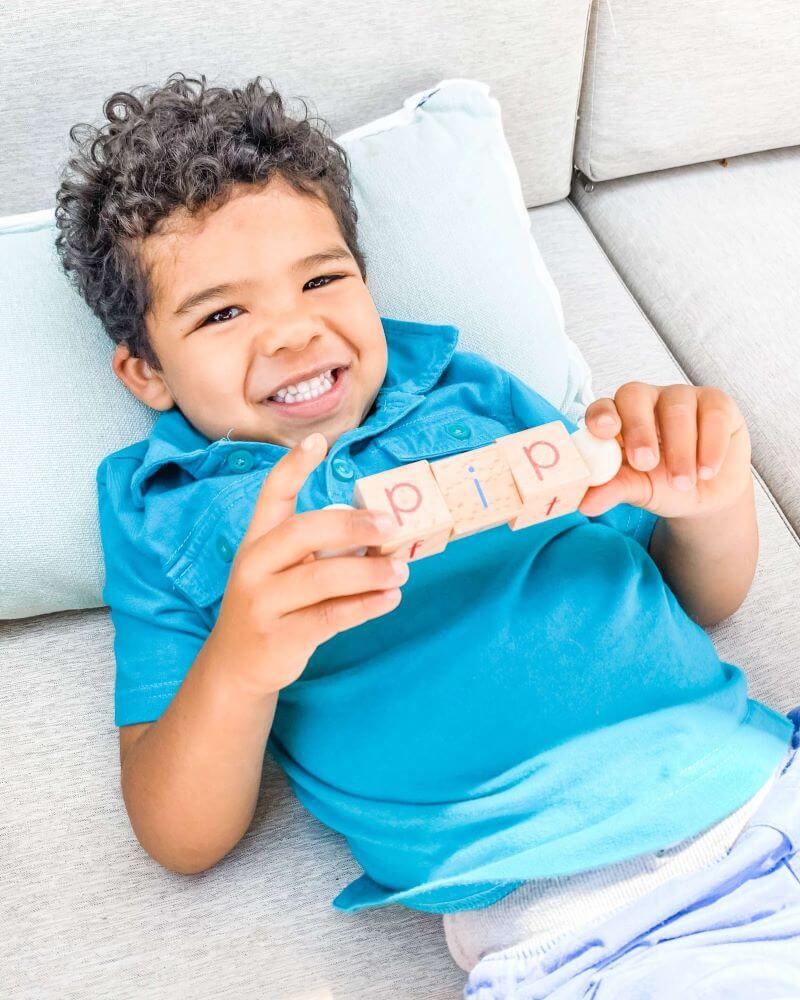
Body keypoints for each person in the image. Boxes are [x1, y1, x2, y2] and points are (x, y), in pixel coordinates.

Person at [54, 72, 800, 997]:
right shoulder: (160, 509)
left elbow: (700, 595)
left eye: (323, 278)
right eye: (223, 312)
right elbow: (179, 835)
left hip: (763, 776)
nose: (294, 330)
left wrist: (711, 494)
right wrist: (243, 660)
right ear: (146, 373)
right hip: (587, 922)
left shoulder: (469, 387)